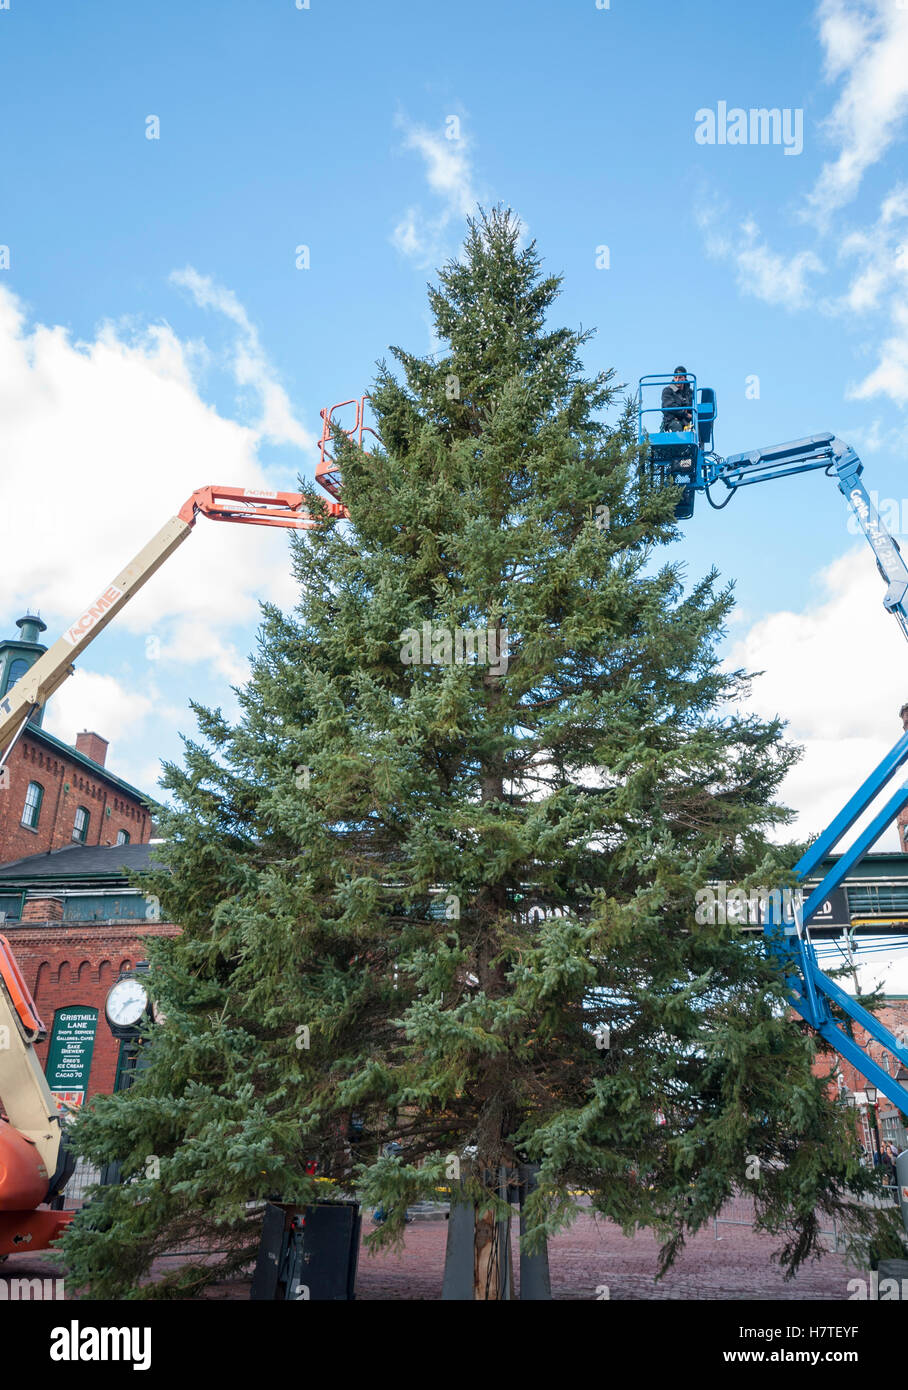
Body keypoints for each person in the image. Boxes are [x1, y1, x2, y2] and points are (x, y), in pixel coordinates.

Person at [661, 366, 693, 432]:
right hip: (672, 421)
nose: (677, 380)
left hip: (685, 422)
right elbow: (669, 406)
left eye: (680, 377)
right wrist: (685, 413)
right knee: (677, 427)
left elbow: (692, 408)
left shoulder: (689, 392)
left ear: (684, 378)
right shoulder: (668, 390)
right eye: (676, 377)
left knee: (697, 428)